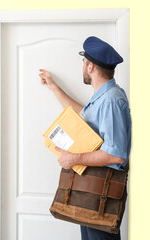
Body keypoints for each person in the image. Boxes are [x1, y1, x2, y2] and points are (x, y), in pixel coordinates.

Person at [39, 36, 132, 240]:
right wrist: (53, 87)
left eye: (83, 62)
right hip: (92, 193)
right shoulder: (102, 98)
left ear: (90, 66)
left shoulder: (111, 101)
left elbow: (116, 155)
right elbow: (83, 115)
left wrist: (73, 159)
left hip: (101, 193)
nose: (82, 66)